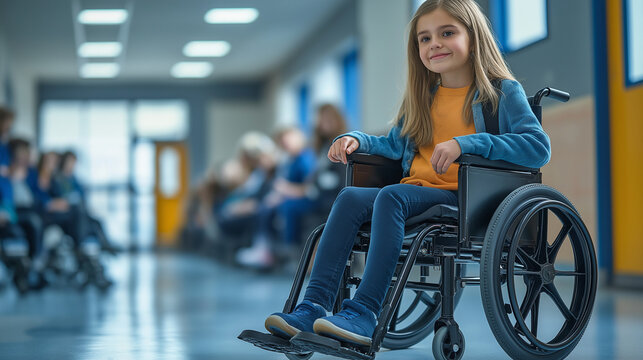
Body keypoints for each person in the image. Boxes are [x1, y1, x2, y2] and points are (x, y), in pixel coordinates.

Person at [261, 0, 550, 347]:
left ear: (473, 37)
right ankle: (311, 307)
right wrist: (355, 139)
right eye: (424, 39)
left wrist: (467, 144)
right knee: (351, 196)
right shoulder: (424, 97)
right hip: (413, 194)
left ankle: (364, 312)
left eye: (447, 33)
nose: (435, 44)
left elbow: (537, 147)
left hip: (466, 199)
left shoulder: (501, 92)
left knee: (392, 196)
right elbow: (393, 145)